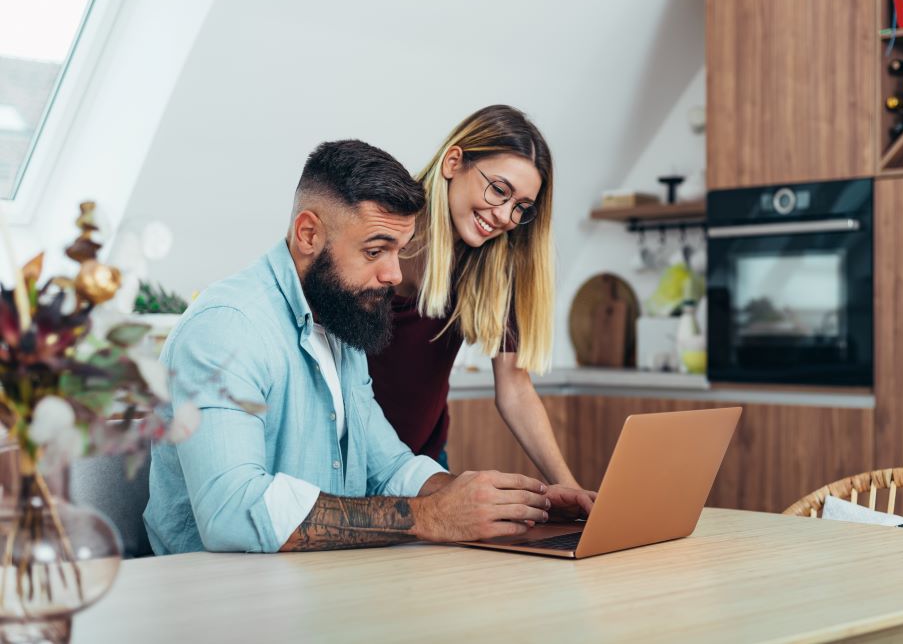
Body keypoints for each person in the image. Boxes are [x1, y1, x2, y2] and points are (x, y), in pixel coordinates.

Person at [143, 140, 591, 554]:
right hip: (215, 599)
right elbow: (232, 512)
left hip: (310, 582)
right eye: (376, 251)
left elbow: (390, 465)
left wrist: (486, 498)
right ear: (308, 235)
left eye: (399, 250)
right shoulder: (227, 329)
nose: (395, 275)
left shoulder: (342, 327)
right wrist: (431, 516)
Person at [368, 105, 596, 509]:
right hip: (347, 464)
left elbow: (515, 389)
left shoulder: (492, 266)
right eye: (500, 191)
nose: (507, 216)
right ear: (454, 162)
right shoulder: (376, 236)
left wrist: (569, 487)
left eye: (521, 207)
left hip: (425, 467)